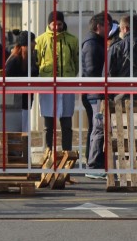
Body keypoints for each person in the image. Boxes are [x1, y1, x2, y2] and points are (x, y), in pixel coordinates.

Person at [35, 11, 79, 152]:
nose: (56, 27)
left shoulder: (72, 40)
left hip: (66, 86)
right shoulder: (40, 40)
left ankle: (67, 153)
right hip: (47, 87)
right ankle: (48, 152)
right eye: (54, 24)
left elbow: (76, 62)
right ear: (49, 24)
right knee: (48, 124)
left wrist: (70, 74)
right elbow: (37, 62)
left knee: (66, 123)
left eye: (59, 24)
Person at [80, 12, 112, 174]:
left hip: (94, 92)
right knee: (98, 128)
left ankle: (92, 160)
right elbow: (92, 70)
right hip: (95, 93)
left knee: (95, 127)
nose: (110, 28)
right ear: (99, 26)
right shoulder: (92, 44)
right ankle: (94, 164)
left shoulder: (96, 42)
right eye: (108, 25)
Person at [3, 30, 38, 132]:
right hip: (15, 104)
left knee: (24, 130)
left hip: (25, 101)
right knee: (17, 131)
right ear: (25, 44)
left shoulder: (30, 58)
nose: (35, 43)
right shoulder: (14, 60)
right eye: (33, 41)